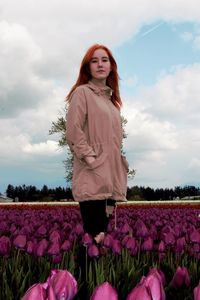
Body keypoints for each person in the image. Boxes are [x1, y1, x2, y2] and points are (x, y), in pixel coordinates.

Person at [66, 44, 129, 244]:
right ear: (88, 67)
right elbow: (73, 130)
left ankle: (92, 276)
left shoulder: (112, 103)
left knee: (102, 239)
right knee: (92, 238)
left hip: (111, 179)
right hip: (92, 176)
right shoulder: (82, 93)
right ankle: (81, 276)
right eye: (94, 61)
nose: (100, 64)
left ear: (111, 66)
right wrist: (91, 159)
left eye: (104, 60)